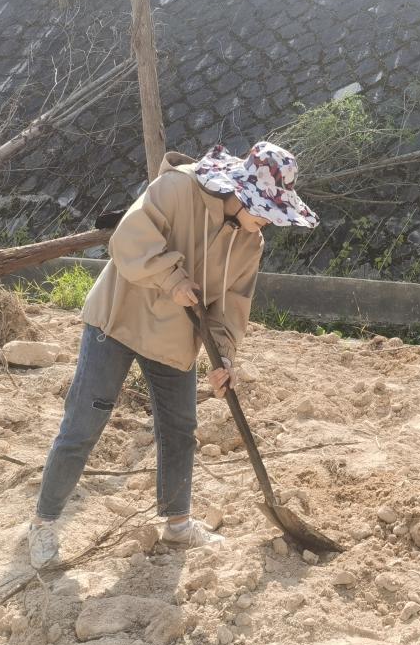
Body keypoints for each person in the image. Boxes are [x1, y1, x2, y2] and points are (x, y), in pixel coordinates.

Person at [28, 141, 318, 569]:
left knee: (180, 429)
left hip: (176, 337)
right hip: (120, 319)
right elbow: (128, 239)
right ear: (242, 194)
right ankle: (44, 523)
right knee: (83, 425)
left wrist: (224, 359)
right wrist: (170, 277)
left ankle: (178, 524)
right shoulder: (178, 188)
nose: (269, 222)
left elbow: (231, 307)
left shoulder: (250, 243)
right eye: (266, 211)